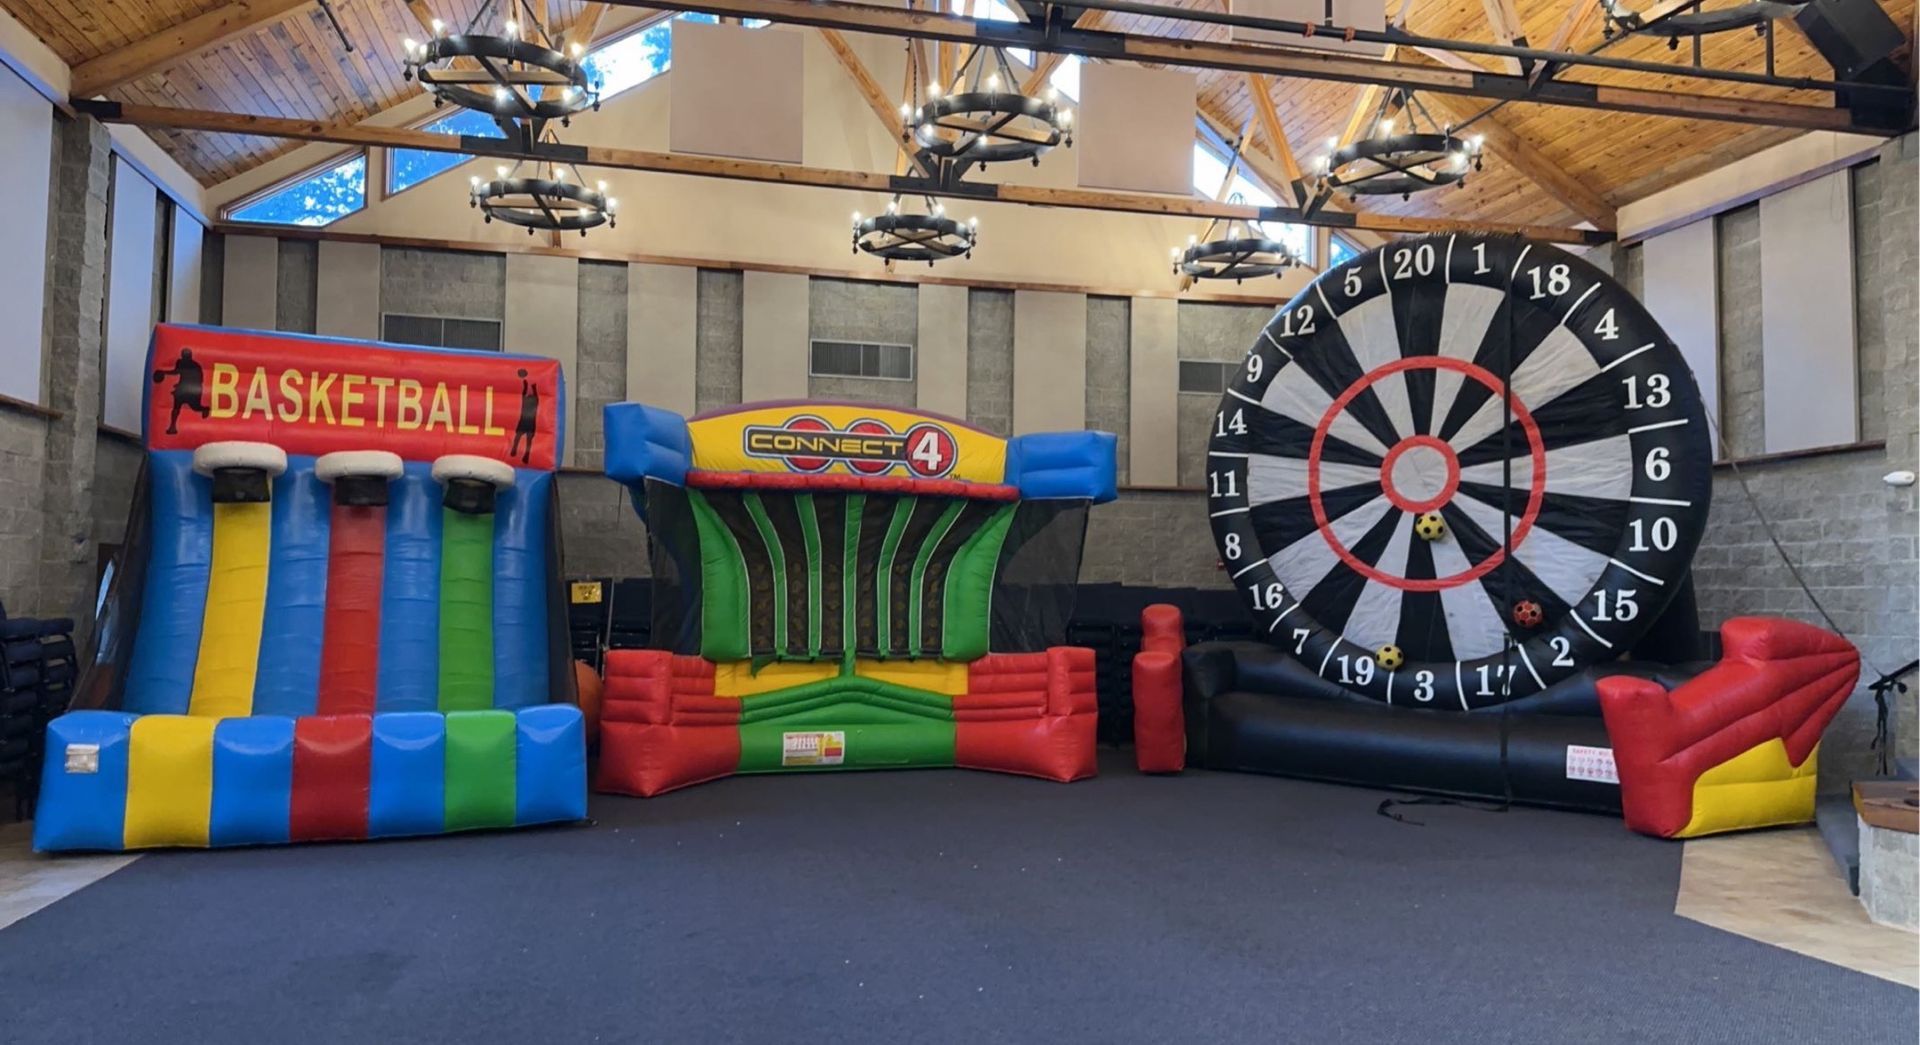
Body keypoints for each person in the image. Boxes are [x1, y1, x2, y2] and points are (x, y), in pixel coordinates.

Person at [152, 348, 208, 435]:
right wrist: (165, 373)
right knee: (176, 408)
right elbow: (177, 372)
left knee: (195, 407)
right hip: (182, 389)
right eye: (184, 356)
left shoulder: (195, 366)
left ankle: (205, 409)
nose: (185, 357)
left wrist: (165, 372)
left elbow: (199, 380)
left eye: (187, 356)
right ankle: (172, 426)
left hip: (193, 390)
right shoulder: (180, 362)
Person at [509, 368, 539, 464]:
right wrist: (531, 387)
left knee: (519, 437)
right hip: (529, 422)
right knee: (525, 439)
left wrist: (527, 385)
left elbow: (525, 393)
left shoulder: (527, 401)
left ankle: (518, 451)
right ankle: (521, 452)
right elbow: (530, 394)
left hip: (525, 421)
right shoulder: (533, 402)